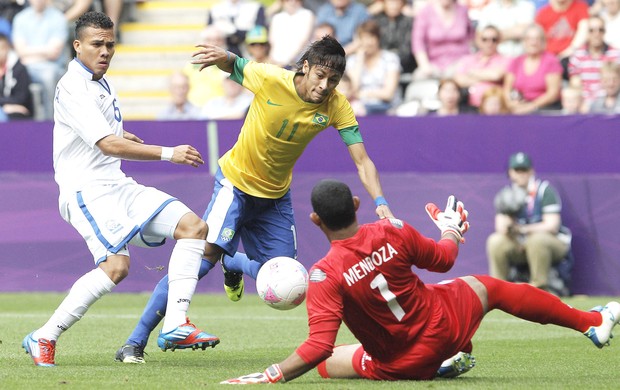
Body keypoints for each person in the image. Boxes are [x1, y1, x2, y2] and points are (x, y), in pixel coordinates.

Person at [114, 35, 395, 364]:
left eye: (333, 80)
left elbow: (362, 160)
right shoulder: (272, 79)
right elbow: (234, 64)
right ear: (305, 68)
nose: (325, 85)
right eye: (320, 76)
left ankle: (233, 261)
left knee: (289, 278)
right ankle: (134, 342)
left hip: (275, 198)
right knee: (199, 261)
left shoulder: (336, 106)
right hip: (236, 186)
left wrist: (380, 202)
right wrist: (222, 56)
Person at [219, 179, 620, 384]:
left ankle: (433, 364)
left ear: (315, 221)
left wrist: (272, 373)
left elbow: (319, 346)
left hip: (399, 363)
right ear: (356, 205)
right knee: (491, 288)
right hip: (445, 324)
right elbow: (444, 260)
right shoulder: (392, 230)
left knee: (334, 360)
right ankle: (590, 323)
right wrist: (450, 230)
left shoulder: (323, 274)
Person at [22, 12, 217, 367]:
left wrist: (118, 132)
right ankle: (45, 335)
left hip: (116, 184)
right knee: (117, 267)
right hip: (86, 190)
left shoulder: (101, 81)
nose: (106, 51)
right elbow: (107, 145)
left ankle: (175, 324)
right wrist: (167, 153)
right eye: (97, 44)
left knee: (194, 228)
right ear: (77, 45)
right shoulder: (73, 85)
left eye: (110, 44)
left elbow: (102, 133)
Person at [487, 152, 572, 293]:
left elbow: (552, 225)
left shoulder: (544, 190)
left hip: (550, 242)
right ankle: (498, 290)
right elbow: (500, 228)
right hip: (519, 242)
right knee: (495, 241)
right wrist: (509, 217)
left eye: (524, 170)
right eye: (517, 170)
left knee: (536, 240)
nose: (521, 174)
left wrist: (522, 230)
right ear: (510, 173)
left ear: (531, 171)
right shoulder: (506, 194)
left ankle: (539, 289)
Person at [12, 0, 68, 120]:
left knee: (48, 75)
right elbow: (20, 51)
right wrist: (44, 51)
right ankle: (22, 118)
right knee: (14, 73)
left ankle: (52, 120)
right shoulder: (20, 18)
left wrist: (28, 54)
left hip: (51, 66)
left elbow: (54, 53)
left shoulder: (58, 18)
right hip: (26, 66)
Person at [503, 23, 563, 114]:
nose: (533, 43)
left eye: (537, 39)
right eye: (529, 39)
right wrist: (511, 103)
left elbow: (553, 93)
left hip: (544, 108)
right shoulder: (516, 61)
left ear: (543, 42)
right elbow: (507, 89)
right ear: (524, 41)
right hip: (519, 104)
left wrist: (531, 106)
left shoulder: (551, 61)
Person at [345, 20, 402, 115]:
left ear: (378, 38)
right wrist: (360, 60)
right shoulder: (353, 61)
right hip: (360, 109)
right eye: (363, 38)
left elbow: (388, 94)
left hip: (387, 107)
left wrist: (363, 94)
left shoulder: (390, 58)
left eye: (371, 37)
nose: (368, 42)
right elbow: (352, 91)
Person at [568, 15, 620, 111]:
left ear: (605, 32)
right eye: (592, 30)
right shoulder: (577, 55)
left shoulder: (616, 54)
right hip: (584, 104)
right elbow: (575, 84)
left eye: (600, 30)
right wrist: (585, 103)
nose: (596, 34)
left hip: (610, 102)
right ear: (587, 33)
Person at [453, 25, 510, 108]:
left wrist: (471, 73)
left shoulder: (506, 59)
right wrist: (487, 80)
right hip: (469, 107)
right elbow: (459, 80)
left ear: (499, 41)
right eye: (485, 39)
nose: (489, 43)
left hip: (494, 109)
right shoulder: (468, 59)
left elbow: (496, 75)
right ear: (478, 40)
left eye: (494, 39)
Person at [371, 0, 416, 74]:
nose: (394, 6)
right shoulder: (375, 21)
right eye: (391, 2)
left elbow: (406, 50)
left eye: (397, 2)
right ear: (384, 3)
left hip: (404, 66)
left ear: (402, 4)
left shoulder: (409, 21)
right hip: (378, 64)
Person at [268, 0, 315, 68]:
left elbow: (304, 41)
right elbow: (272, 42)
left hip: (295, 64)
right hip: (274, 62)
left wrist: (286, 63)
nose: (292, 2)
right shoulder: (277, 17)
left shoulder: (307, 15)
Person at [0, 32, 34, 120]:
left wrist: (6, 106)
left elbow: (21, 98)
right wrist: (4, 107)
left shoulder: (19, 69)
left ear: (7, 48)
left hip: (18, 112)